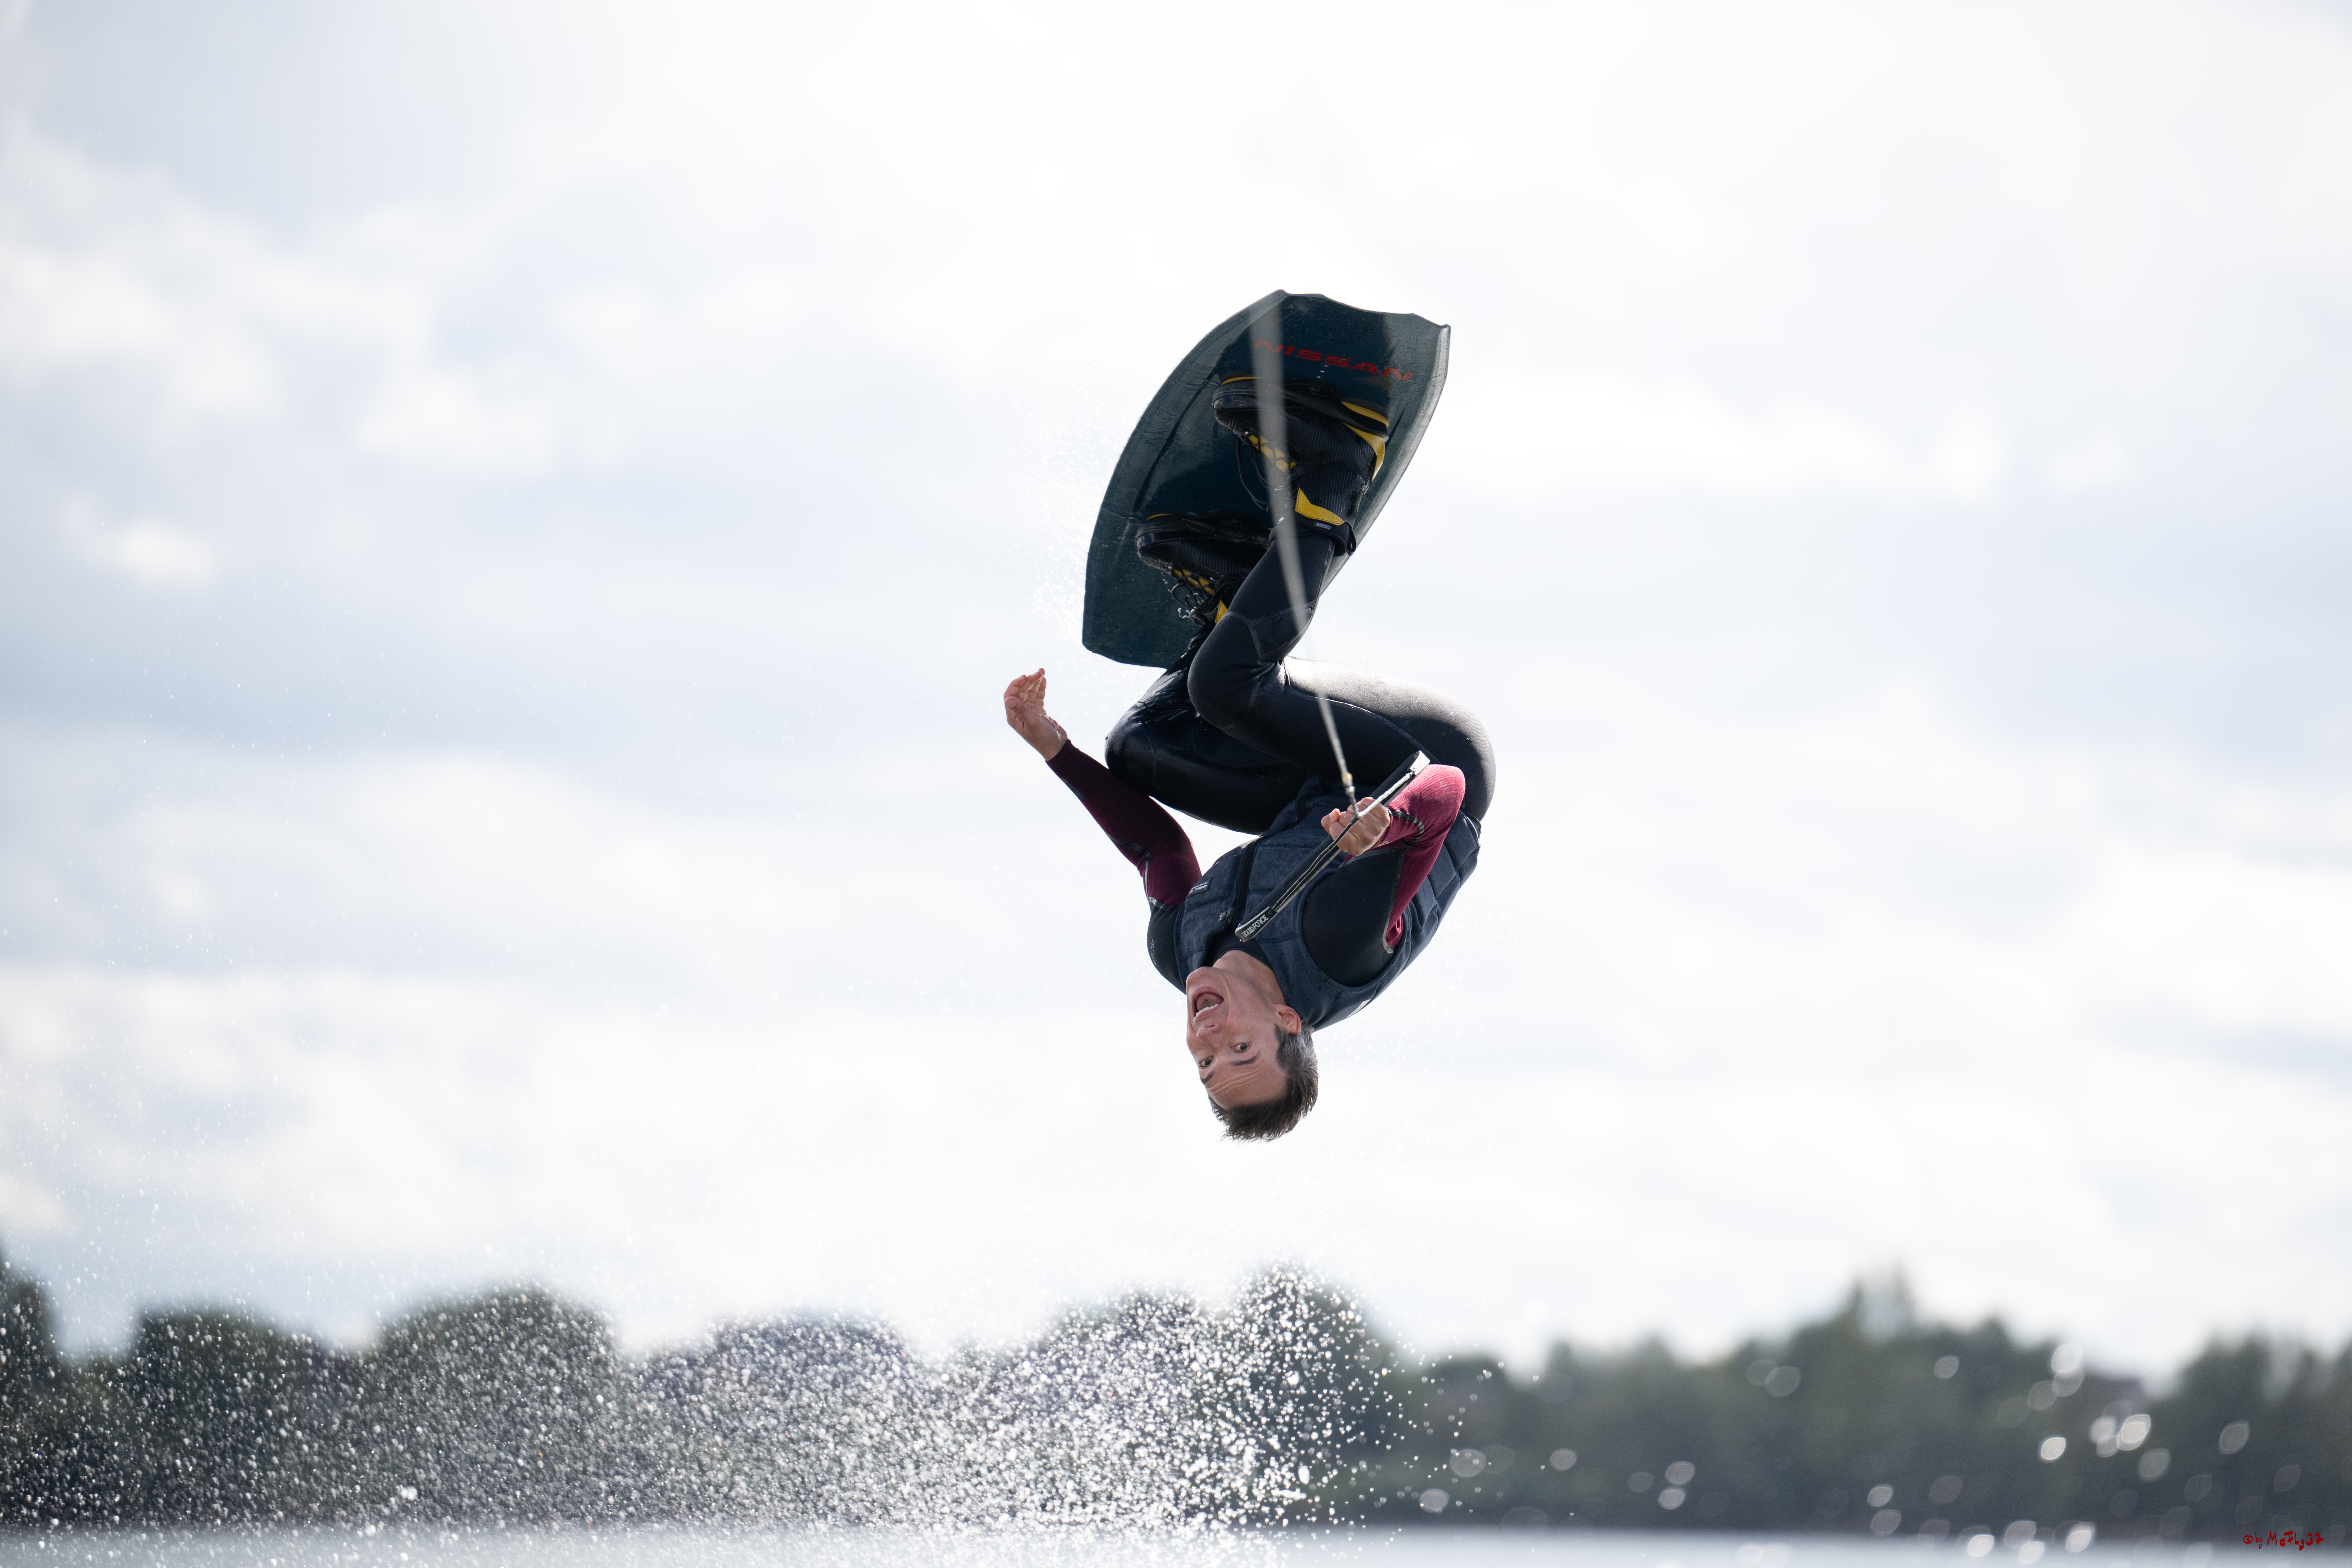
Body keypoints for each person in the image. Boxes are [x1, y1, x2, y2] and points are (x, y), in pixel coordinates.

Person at [1001, 373, 1495, 1141]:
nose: (1207, 1041)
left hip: (1315, 788)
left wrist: (1054, 749)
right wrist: (1386, 823)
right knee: (1226, 687)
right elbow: (1448, 791)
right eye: (1239, 1049)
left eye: (1205, 1064)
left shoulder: (1180, 951)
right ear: (1287, 1019)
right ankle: (1339, 467)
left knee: (1138, 748)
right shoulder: (1337, 941)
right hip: (1427, 759)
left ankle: (1238, 580)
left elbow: (1157, 848)